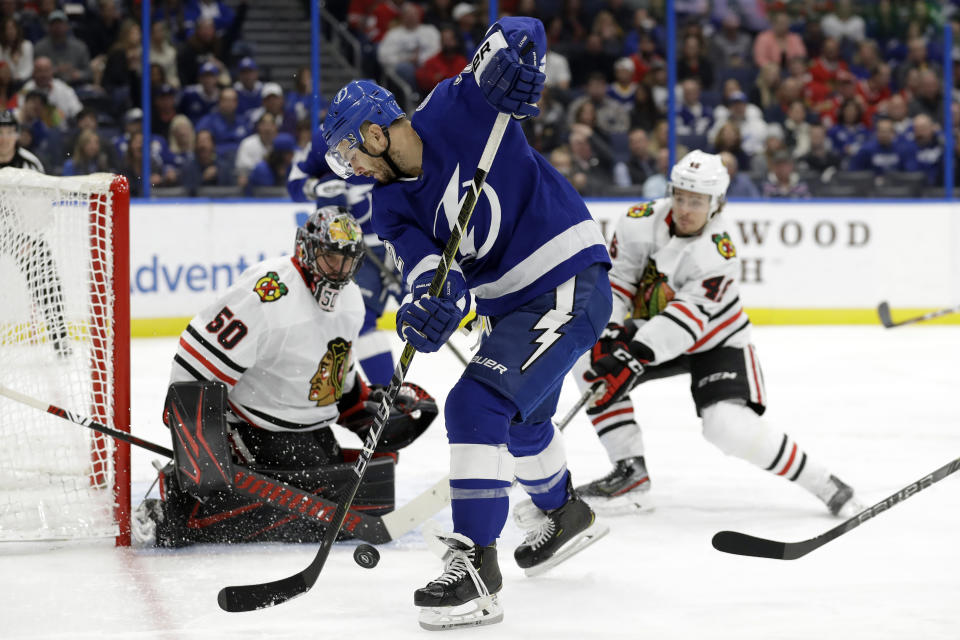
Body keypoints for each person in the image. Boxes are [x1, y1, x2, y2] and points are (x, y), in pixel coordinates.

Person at [322, 16, 612, 629]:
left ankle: (476, 567)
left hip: (565, 278)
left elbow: (519, 30)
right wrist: (429, 308)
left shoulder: (458, 105)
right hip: (514, 305)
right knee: (524, 420)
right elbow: (432, 271)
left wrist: (518, 58)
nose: (352, 168)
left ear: (376, 132)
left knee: (474, 407)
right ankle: (565, 516)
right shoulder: (390, 204)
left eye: (352, 151)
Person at [559, 149, 861, 523]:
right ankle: (629, 473)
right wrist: (608, 333)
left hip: (716, 340)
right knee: (586, 356)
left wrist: (633, 356)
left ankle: (828, 485)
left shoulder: (718, 252)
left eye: (697, 201)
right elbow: (618, 282)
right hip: (652, 331)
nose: (685, 209)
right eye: (680, 197)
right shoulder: (637, 221)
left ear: (717, 203)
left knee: (727, 428)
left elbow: (687, 319)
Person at [131, 207, 437, 547]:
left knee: (362, 495)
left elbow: (337, 371)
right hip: (255, 431)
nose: (339, 271)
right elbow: (195, 360)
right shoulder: (266, 293)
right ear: (306, 250)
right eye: (330, 258)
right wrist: (201, 444)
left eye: (348, 262)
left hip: (311, 432)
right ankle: (176, 515)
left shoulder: (351, 299)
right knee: (319, 516)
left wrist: (363, 409)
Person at [287, 127, 399, 386]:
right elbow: (294, 185)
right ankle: (383, 394)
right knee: (348, 320)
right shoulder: (323, 139)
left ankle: (386, 395)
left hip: (387, 244)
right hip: (340, 247)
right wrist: (318, 188)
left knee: (364, 320)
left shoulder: (388, 134)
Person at [0, 109, 70, 357]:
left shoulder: (30, 164)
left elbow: (42, 209)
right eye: (0, 132)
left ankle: (60, 336)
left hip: (20, 236)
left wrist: (27, 238)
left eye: (9, 132)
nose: (4, 138)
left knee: (43, 263)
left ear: (17, 135)